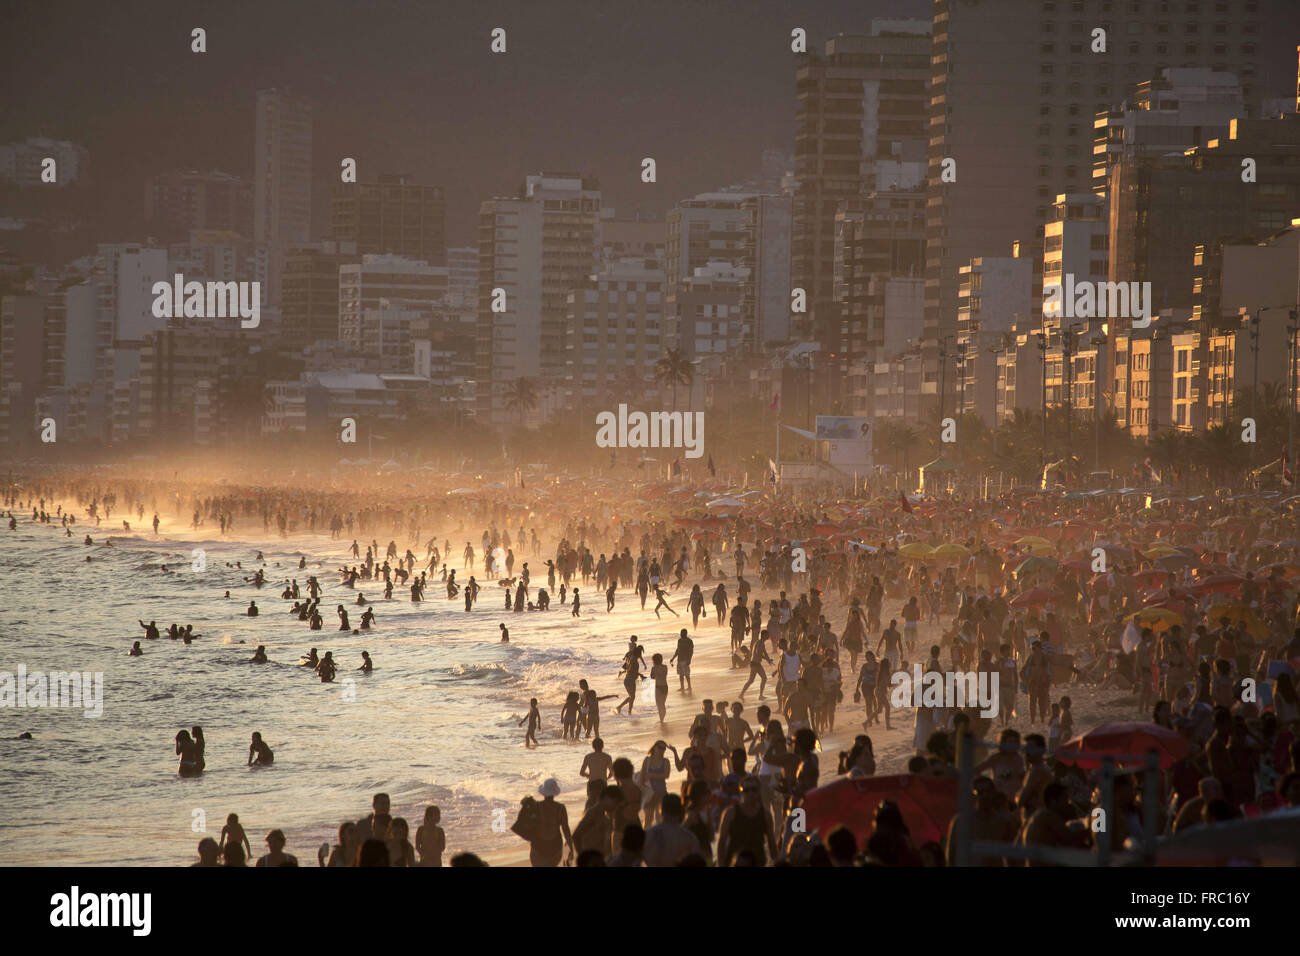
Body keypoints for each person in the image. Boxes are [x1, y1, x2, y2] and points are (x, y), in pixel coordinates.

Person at [642, 794, 701, 867]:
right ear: (680, 811)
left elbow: (634, 862)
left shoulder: (647, 834)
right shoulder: (689, 837)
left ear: (661, 810)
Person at [530, 778, 573, 867]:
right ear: (555, 793)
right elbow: (566, 829)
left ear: (543, 793)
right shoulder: (560, 808)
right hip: (555, 849)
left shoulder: (536, 807)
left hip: (538, 848)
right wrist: (571, 848)